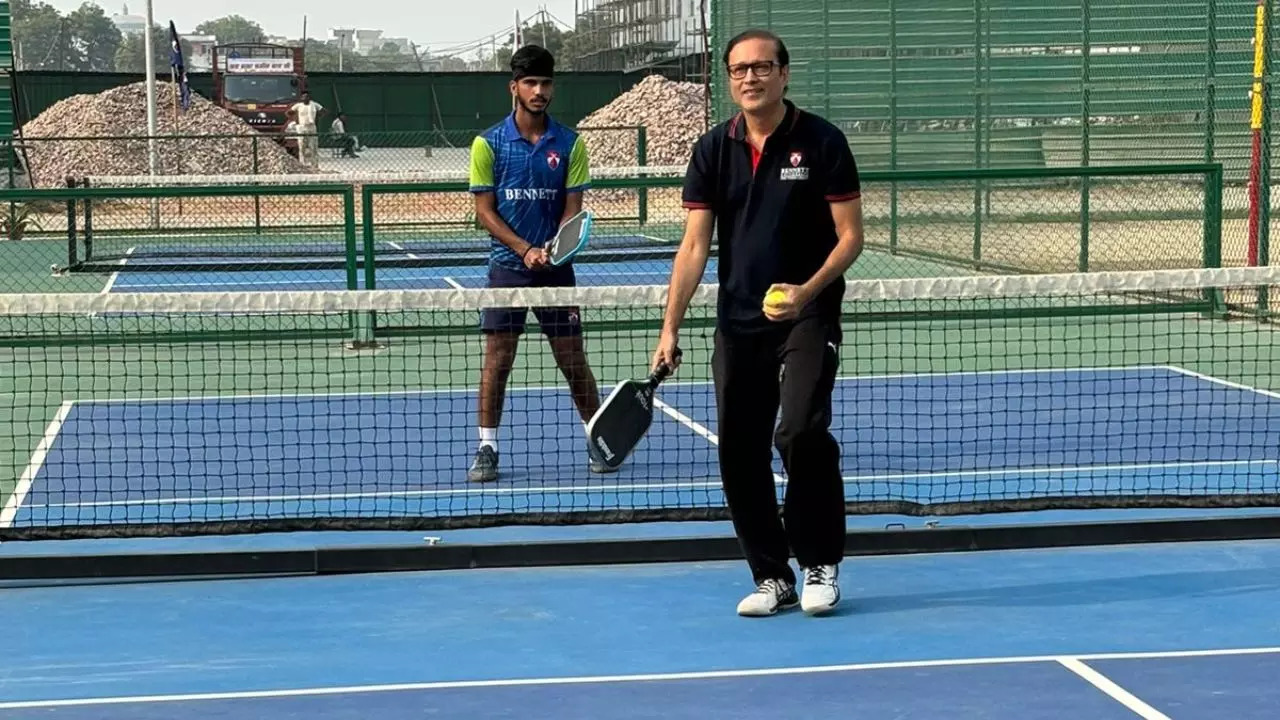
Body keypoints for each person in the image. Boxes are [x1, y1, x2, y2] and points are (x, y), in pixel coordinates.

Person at [652, 29, 865, 617]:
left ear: (784, 74)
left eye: (762, 67)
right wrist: (670, 327)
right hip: (738, 321)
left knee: (799, 432)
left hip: (808, 314)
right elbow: (694, 246)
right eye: (739, 69)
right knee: (739, 451)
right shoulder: (711, 150)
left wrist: (806, 292)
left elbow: (851, 237)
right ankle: (773, 576)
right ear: (729, 79)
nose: (751, 77)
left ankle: (819, 561)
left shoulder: (822, 141)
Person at [466, 44, 613, 483]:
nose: (539, 90)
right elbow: (484, 212)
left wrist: (553, 246)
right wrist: (524, 249)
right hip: (506, 269)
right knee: (498, 360)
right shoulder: (487, 143)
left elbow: (573, 206)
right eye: (530, 82)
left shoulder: (570, 143)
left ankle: (598, 438)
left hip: (556, 269)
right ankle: (487, 447)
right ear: (514, 87)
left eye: (546, 83)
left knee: (572, 359)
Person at [289, 91, 325, 169]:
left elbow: (324, 111)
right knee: (302, 146)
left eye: (307, 96)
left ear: (309, 97)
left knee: (313, 147)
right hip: (302, 127)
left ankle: (314, 165)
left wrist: (317, 118)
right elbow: (288, 112)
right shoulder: (298, 106)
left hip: (312, 127)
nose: (305, 98)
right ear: (301, 98)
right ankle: (302, 164)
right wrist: (295, 120)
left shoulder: (314, 104)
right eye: (304, 97)